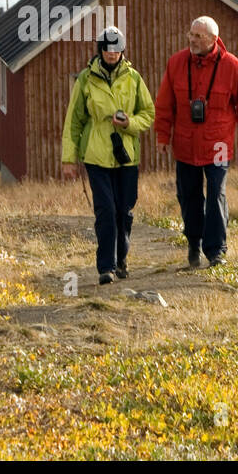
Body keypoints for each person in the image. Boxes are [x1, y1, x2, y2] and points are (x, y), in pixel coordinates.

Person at [154, 16, 238, 268]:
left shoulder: (233, 66)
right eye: (191, 34)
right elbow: (165, 104)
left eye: (198, 36)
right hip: (185, 144)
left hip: (219, 145)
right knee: (188, 196)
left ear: (213, 39)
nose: (192, 39)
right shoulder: (176, 63)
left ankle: (216, 251)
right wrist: (162, 136)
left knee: (216, 195)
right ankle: (193, 242)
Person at [61, 26, 155, 285]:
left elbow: (148, 113)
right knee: (105, 210)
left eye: (116, 49)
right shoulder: (85, 79)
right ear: (100, 50)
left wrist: (129, 123)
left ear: (122, 51)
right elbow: (74, 121)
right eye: (107, 49)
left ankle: (121, 258)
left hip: (126, 155)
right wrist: (69, 159)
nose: (111, 54)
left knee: (124, 211)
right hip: (96, 155)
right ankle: (106, 267)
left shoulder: (134, 78)